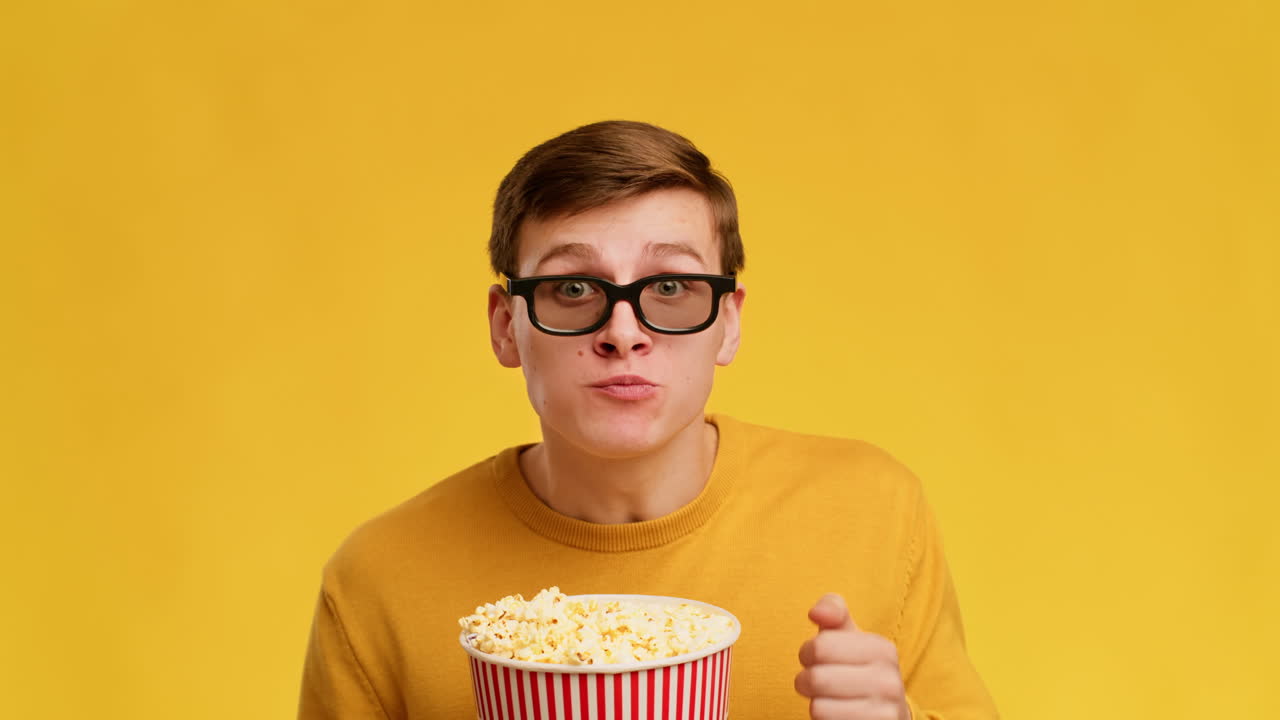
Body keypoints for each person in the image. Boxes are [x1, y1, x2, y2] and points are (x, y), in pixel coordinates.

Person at [297, 120, 998, 719]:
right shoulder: (379, 582)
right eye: (573, 287)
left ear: (727, 323)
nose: (624, 332)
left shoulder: (870, 508)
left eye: (670, 286)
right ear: (506, 327)